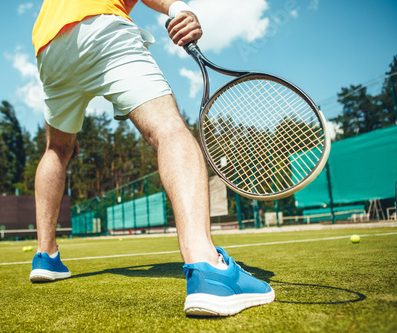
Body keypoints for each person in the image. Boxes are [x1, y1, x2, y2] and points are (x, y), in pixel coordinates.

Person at [29, 0, 275, 316]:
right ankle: (209, 269)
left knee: (56, 150)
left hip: (49, 47)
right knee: (168, 128)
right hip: (101, 26)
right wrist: (177, 9)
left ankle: (45, 256)